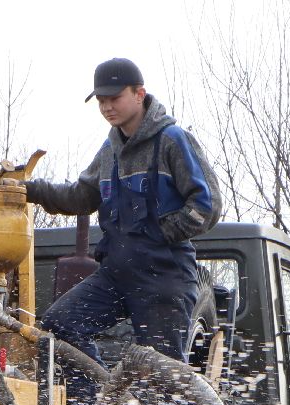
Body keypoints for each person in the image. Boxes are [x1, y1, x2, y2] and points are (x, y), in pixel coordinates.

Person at [25, 58, 223, 367]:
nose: (106, 107)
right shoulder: (110, 150)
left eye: (114, 98)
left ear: (139, 94)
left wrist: (158, 235)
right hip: (116, 275)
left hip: (164, 278)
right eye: (101, 101)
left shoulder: (172, 141)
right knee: (59, 328)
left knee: (163, 377)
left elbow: (206, 206)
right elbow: (80, 196)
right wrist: (28, 190)